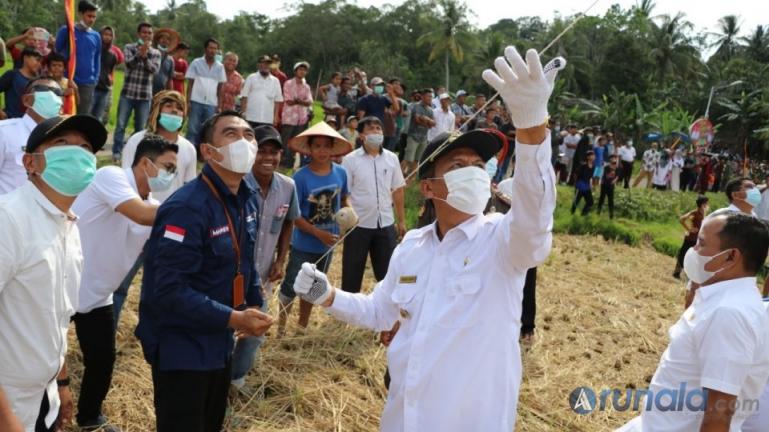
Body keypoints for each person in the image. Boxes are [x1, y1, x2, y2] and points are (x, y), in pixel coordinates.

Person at [289, 46, 562, 432]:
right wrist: (328, 295)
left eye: (478, 166)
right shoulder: (412, 246)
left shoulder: (502, 241)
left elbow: (535, 217)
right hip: (403, 417)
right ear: (429, 188)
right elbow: (380, 311)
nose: (473, 173)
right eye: (458, 165)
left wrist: (533, 129)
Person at [135, 111, 272, 432]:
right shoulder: (187, 207)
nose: (244, 142)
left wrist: (253, 299)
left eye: (249, 135)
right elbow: (169, 291)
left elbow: (245, 258)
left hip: (220, 343)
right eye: (231, 134)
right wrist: (235, 318)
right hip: (182, 347)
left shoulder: (247, 199)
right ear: (209, 152)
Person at [0, 114, 106, 432]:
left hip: (42, 398)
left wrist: (61, 382)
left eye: (85, 147)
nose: (76, 153)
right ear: (30, 163)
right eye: (61, 143)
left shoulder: (69, 226)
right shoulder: (9, 220)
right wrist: (6, 419)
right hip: (10, 403)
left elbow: (55, 319)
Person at [618, 213, 769, 432]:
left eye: (701, 243)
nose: (694, 250)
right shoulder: (723, 300)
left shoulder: (729, 313)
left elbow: (718, 414)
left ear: (730, 257)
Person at [71, 135, 177, 432]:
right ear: (145, 163)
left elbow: (164, 243)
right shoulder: (112, 176)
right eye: (168, 167)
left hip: (98, 295)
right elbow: (140, 215)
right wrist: (190, 205)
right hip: (65, 285)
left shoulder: (154, 205)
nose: (171, 175)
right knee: (44, 359)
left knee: (102, 360)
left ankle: (89, 418)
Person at [230, 125, 299, 391]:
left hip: (263, 276)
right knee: (228, 328)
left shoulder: (288, 187)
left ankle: (236, 379)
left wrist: (281, 260)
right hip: (233, 275)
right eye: (262, 151)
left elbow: (288, 223)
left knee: (255, 332)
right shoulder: (237, 183)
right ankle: (216, 378)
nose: (268, 158)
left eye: (274, 152)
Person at [277, 121, 352, 336]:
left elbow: (344, 199)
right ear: (309, 149)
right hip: (304, 244)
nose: (322, 151)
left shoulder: (341, 173)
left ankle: (302, 327)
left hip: (328, 245)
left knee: (312, 287)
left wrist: (349, 217)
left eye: (326, 146)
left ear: (332, 149)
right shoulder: (300, 178)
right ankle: (281, 327)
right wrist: (317, 232)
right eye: (317, 146)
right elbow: (295, 215)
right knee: (291, 284)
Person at [341, 116, 406, 294]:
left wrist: (401, 221)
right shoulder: (350, 160)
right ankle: (349, 306)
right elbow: (345, 193)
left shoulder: (392, 158)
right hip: (358, 225)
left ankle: (385, 305)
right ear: (362, 135)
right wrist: (351, 213)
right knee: (352, 273)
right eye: (371, 128)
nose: (376, 132)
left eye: (379, 128)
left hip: (385, 223)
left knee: (387, 275)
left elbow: (398, 190)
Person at [0, 78, 64, 195]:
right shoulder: (4, 132)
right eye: (43, 89)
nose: (52, 95)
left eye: (58, 92)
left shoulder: (63, 140)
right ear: (26, 100)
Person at [112, 23, 161, 163]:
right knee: (121, 125)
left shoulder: (156, 53)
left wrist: (145, 57)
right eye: (144, 32)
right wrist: (140, 54)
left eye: (149, 33)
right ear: (139, 34)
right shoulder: (129, 47)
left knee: (140, 128)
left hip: (145, 96)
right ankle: (116, 152)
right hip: (128, 93)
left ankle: (135, 154)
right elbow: (128, 64)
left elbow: (154, 70)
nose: (147, 35)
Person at [55, 0, 101, 115]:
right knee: (63, 113)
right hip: (67, 80)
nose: (92, 20)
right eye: (89, 16)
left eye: (94, 17)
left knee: (82, 115)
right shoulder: (67, 31)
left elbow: (97, 59)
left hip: (87, 84)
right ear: (80, 14)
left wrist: (94, 79)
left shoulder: (96, 36)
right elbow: (56, 52)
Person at [185, 38, 227, 149]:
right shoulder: (196, 63)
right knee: (192, 129)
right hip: (196, 101)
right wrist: (187, 101)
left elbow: (220, 89)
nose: (212, 51)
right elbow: (190, 84)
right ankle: (190, 151)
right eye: (210, 48)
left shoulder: (220, 67)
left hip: (211, 104)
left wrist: (219, 105)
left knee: (207, 131)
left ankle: (203, 153)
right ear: (205, 49)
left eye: (215, 48)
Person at [279, 61, 313, 167]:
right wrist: (302, 101)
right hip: (289, 117)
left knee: (297, 140)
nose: (302, 72)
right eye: (300, 69)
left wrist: (298, 101)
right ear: (295, 71)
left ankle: (291, 161)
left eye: (304, 70)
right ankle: (283, 161)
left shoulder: (306, 86)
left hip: (301, 118)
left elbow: (309, 102)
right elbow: (289, 101)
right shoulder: (288, 83)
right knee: (285, 140)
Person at [89, 26, 123, 123]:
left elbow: (111, 69)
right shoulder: (93, 50)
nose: (107, 37)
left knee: (98, 117)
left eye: (110, 35)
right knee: (87, 114)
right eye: (105, 34)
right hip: (92, 87)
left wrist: (109, 79)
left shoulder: (113, 55)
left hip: (104, 89)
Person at [240, 55, 283, 129]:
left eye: (268, 64)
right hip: (251, 118)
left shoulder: (275, 81)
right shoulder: (251, 78)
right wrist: (243, 112)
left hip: (268, 119)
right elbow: (244, 96)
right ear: (259, 65)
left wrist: (275, 117)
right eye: (264, 63)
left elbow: (277, 100)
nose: (266, 66)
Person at [0, 48, 43, 119]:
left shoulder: (40, 80)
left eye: (41, 62)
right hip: (11, 120)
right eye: (37, 60)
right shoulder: (13, 75)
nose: (39, 64)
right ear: (26, 58)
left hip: (31, 122)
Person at [672, 195, 709, 279]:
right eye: (706, 204)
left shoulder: (703, 214)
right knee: (683, 255)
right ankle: (676, 273)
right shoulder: (695, 212)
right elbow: (682, 219)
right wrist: (689, 229)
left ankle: (689, 275)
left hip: (698, 240)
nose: (707, 205)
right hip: (691, 238)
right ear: (702, 204)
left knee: (693, 257)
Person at [402, 88, 435, 178]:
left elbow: (432, 124)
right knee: (408, 159)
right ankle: (398, 177)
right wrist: (427, 121)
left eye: (431, 97)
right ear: (423, 96)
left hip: (423, 137)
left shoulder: (430, 110)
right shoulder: (416, 106)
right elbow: (417, 120)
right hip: (413, 136)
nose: (430, 98)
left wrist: (426, 119)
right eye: (428, 96)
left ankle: (410, 178)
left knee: (417, 160)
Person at [151, 28, 177, 96]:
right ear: (158, 40)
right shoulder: (151, 54)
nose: (164, 40)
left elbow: (170, 79)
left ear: (169, 42)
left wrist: (170, 94)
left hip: (162, 93)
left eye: (167, 39)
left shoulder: (170, 60)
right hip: (148, 90)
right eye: (162, 38)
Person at [571, 150, 595, 215]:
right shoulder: (583, 165)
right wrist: (576, 183)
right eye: (592, 155)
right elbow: (575, 173)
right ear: (588, 157)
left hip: (587, 186)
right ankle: (572, 213)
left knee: (590, 202)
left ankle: (583, 214)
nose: (593, 157)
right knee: (576, 201)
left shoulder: (593, 166)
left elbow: (591, 177)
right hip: (580, 185)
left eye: (594, 155)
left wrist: (591, 185)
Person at [597, 154, 620, 219]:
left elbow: (617, 176)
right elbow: (606, 176)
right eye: (612, 158)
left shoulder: (617, 168)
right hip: (604, 185)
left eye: (615, 158)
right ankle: (598, 213)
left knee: (611, 200)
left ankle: (611, 215)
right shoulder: (606, 167)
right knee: (601, 199)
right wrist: (612, 171)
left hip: (611, 186)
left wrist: (615, 180)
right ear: (610, 159)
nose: (614, 159)